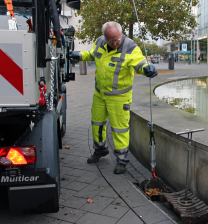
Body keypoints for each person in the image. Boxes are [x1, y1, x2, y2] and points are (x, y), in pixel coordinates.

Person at [68, 21, 158, 174]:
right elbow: (92, 54)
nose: (115, 43)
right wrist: (80, 55)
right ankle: (100, 150)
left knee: (120, 129)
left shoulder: (130, 47)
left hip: (119, 98)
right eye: (111, 41)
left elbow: (140, 63)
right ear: (104, 37)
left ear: (121, 33)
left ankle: (122, 160)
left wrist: (147, 68)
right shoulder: (100, 42)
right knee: (97, 124)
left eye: (117, 39)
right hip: (100, 94)